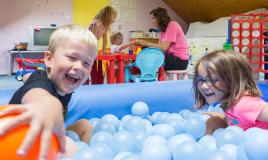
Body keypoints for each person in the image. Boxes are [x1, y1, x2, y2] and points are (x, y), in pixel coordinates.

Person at [0, 24, 98, 159]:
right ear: (49, 59)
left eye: (87, 63)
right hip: (17, 139)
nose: (79, 67)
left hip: (45, 133)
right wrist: (50, 104)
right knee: (69, 146)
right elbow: (38, 95)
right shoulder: (39, 80)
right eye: (72, 57)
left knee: (85, 126)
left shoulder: (65, 84)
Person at [193, 50, 268, 134]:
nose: (204, 86)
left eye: (212, 80)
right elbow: (239, 120)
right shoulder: (230, 103)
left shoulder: (243, 105)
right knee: (213, 121)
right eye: (200, 80)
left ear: (233, 80)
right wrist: (221, 117)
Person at [132, 7, 189, 72]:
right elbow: (161, 49)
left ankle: (148, 77)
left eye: (153, 18)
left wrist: (146, 43)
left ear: (159, 18)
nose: (152, 21)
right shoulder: (163, 30)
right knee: (149, 56)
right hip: (173, 58)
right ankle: (147, 75)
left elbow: (164, 47)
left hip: (180, 61)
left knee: (151, 59)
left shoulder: (172, 25)